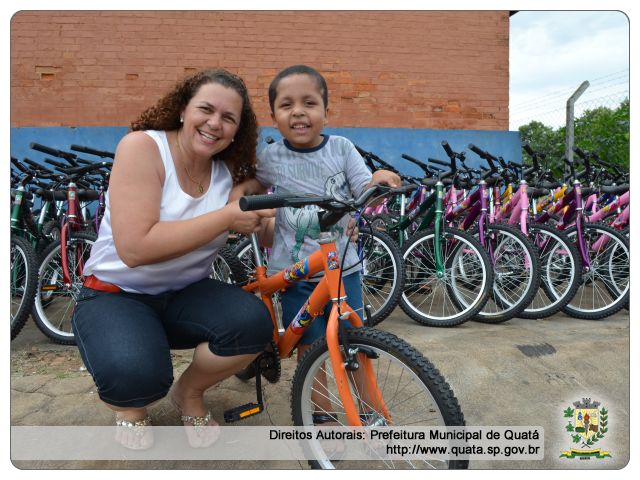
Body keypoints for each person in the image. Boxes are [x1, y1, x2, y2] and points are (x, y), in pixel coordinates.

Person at [71, 69, 275, 450]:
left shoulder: (229, 170)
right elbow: (135, 248)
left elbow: (287, 175)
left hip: (185, 293)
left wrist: (369, 181)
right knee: (137, 377)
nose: (215, 123)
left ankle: (190, 392)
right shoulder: (142, 147)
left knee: (253, 323)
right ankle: (132, 407)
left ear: (237, 130)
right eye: (206, 109)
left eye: (229, 118)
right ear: (183, 109)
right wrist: (228, 216)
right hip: (117, 293)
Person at [234, 65, 400, 427]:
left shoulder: (341, 147)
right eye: (287, 104)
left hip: (344, 266)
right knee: (309, 345)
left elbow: (363, 187)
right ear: (274, 115)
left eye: (309, 103)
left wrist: (379, 179)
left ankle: (370, 408)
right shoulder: (272, 156)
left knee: (352, 339)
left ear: (326, 111)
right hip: (295, 273)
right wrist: (238, 203)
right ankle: (322, 415)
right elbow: (248, 187)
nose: (298, 111)